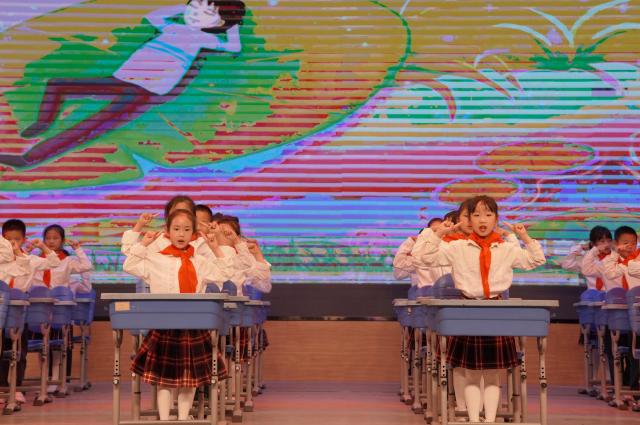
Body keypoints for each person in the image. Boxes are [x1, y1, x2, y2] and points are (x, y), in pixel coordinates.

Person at [0, 0, 246, 168]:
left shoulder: (203, 38)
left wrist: (233, 25)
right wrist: (185, 6)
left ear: (219, 23)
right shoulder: (172, 27)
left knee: (90, 125)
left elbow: (233, 47)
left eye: (206, 13)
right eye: (194, 7)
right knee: (57, 85)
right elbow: (153, 16)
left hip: (146, 91)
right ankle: (43, 122)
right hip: (121, 79)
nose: (194, 13)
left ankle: (29, 158)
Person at [411, 195, 546, 423]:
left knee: (493, 375)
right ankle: (474, 420)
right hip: (468, 310)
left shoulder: (506, 248)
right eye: (476, 215)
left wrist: (523, 237)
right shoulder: (458, 247)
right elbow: (422, 257)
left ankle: (490, 420)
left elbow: (537, 260)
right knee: (471, 373)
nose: (482, 220)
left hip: (495, 311)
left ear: (496, 219)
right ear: (468, 220)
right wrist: (438, 233)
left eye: (488, 214)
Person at [122, 208, 230, 420]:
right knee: (163, 379)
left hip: (193, 327)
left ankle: (182, 419)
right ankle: (164, 419)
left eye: (187, 229)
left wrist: (216, 248)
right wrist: (144, 243)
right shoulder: (156, 258)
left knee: (189, 380)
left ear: (193, 233)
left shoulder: (199, 261)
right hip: (165, 326)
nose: (181, 234)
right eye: (177, 229)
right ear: (167, 231)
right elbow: (129, 265)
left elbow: (225, 273)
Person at [0, 219, 61, 405]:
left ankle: (17, 387)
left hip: (18, 312)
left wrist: (42, 246)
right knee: (2, 351)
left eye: (17, 239)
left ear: (24, 239)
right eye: (8, 239)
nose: (13, 243)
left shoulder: (31, 260)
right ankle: (2, 387)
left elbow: (54, 262)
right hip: (1, 308)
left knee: (18, 350)